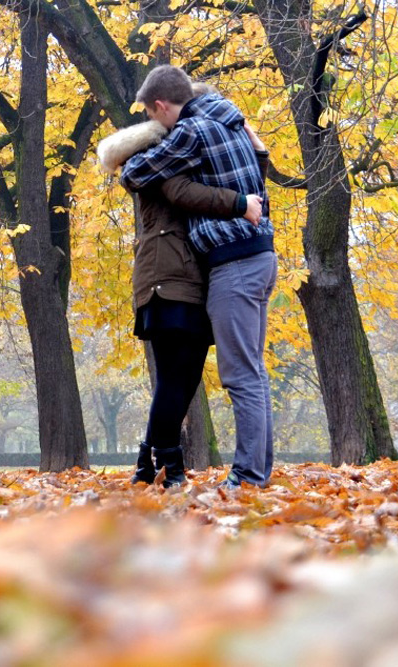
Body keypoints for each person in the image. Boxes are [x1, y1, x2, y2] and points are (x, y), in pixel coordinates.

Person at [97, 83, 266, 488]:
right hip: (167, 277)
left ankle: (148, 461)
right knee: (177, 377)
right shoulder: (158, 156)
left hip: (188, 276)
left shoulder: (182, 144)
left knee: (182, 378)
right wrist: (239, 203)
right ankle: (166, 466)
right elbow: (180, 191)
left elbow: (245, 165)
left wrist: (250, 140)